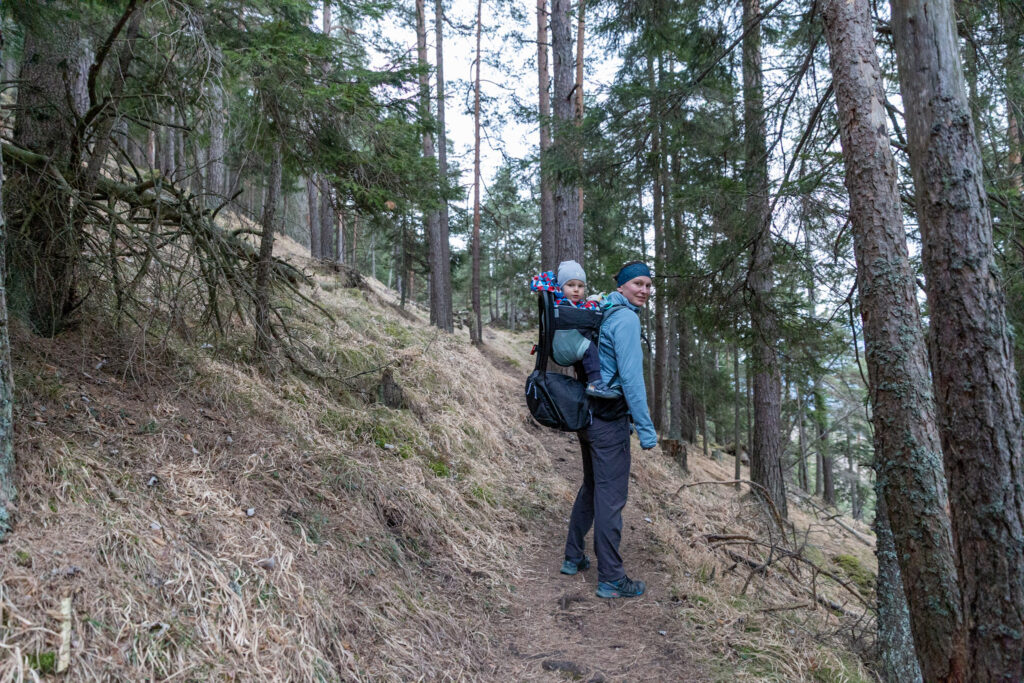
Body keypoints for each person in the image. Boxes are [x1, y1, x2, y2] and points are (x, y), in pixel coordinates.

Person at [560, 260, 657, 599]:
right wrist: (646, 430)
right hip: (608, 421)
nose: (644, 290)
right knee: (611, 498)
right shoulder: (626, 319)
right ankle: (612, 578)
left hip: (585, 415)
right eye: (638, 284)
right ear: (623, 286)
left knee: (591, 486)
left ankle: (573, 556)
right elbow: (631, 380)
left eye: (648, 285)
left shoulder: (600, 311)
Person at [529, 260, 619, 399]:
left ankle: (585, 385)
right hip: (564, 346)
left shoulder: (568, 303)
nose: (576, 289)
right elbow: (588, 312)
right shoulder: (562, 303)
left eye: (580, 286)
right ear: (561, 286)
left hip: (564, 345)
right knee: (590, 348)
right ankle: (595, 382)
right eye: (570, 285)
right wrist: (594, 303)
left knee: (585, 350)